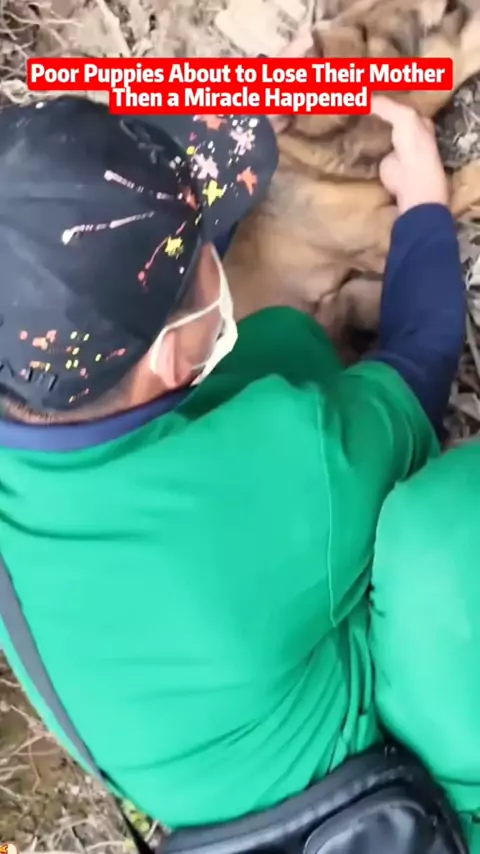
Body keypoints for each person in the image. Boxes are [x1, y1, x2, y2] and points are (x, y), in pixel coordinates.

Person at [0, 93, 468, 840]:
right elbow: (421, 357)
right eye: (201, 257)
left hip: (204, 748)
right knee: (451, 528)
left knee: (280, 343)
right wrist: (422, 208)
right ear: (168, 353)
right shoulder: (262, 473)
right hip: (382, 803)